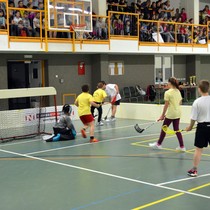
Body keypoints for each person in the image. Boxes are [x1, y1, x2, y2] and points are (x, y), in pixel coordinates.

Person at [149, 77, 186, 152]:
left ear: (170, 83)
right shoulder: (178, 91)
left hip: (171, 113)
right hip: (178, 112)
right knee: (176, 129)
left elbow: (166, 105)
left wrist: (162, 115)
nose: (167, 84)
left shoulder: (167, 92)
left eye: (168, 83)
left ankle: (158, 144)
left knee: (164, 128)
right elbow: (180, 102)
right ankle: (182, 146)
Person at [186, 80, 210, 177]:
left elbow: (193, 118)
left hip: (202, 128)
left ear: (199, 90)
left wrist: (190, 127)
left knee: (199, 149)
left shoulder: (197, 102)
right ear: (208, 89)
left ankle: (194, 170)